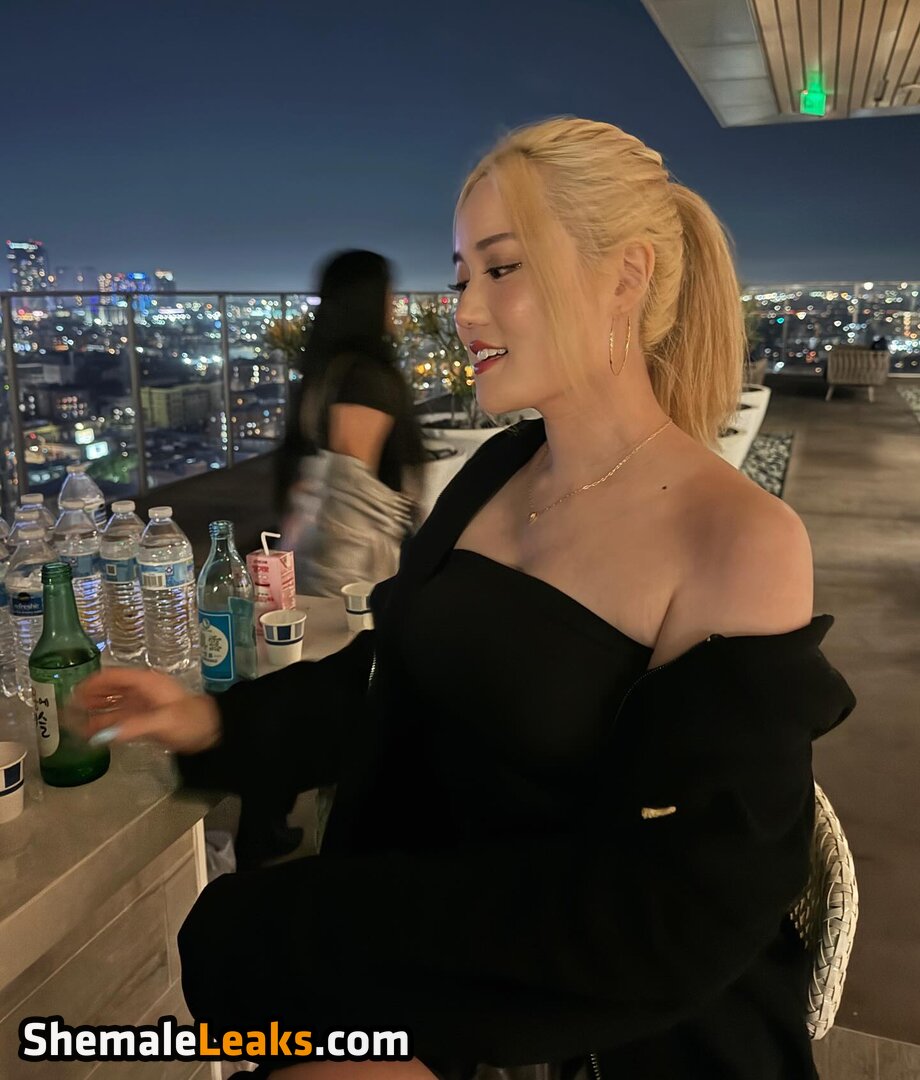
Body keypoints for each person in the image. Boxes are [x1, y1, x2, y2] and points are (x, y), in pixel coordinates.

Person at [78, 118, 855, 1079]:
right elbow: (392, 674)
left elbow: (684, 915)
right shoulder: (498, 472)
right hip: (439, 958)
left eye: (503, 268)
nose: (467, 312)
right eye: (459, 278)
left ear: (626, 276)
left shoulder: (739, 539)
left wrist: (366, 965)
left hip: (612, 1030)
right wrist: (213, 721)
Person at [276, 249, 426, 597]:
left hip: (323, 562)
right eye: (389, 293)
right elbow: (351, 498)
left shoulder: (328, 369)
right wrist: (348, 601)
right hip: (357, 581)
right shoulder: (365, 381)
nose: (393, 304)